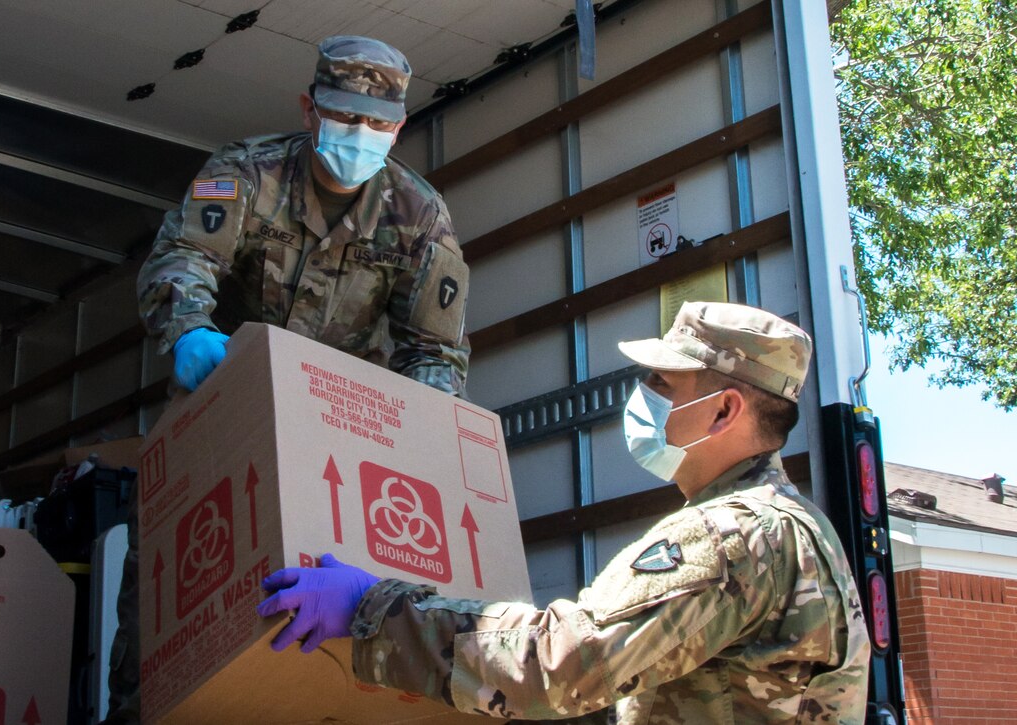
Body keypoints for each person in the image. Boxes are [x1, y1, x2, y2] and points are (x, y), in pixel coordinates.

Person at [256, 301, 871, 724]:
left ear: (723, 411)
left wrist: (372, 611)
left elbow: (563, 664)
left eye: (663, 382)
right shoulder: (792, 526)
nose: (644, 396)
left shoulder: (732, 533)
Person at [101, 36, 470, 724]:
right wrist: (188, 330)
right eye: (345, 116)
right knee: (162, 620)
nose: (361, 135)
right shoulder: (246, 173)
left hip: (337, 444)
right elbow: (182, 255)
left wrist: (419, 433)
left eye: (378, 124)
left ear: (399, 127)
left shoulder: (419, 216)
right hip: (220, 413)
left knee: (312, 632)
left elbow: (435, 349)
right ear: (310, 109)